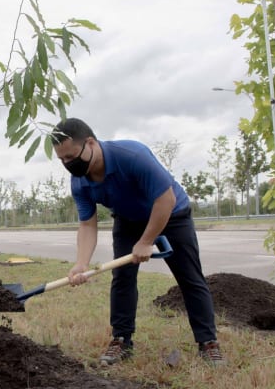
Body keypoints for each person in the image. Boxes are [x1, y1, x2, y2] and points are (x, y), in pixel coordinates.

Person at [51, 118, 225, 367]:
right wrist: (81, 263)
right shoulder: (80, 181)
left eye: (70, 156)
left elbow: (165, 199)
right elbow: (87, 224)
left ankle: (208, 343)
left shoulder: (132, 155)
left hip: (172, 214)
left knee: (190, 278)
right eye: (62, 160)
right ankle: (121, 340)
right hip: (128, 219)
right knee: (122, 278)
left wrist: (146, 241)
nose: (68, 164)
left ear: (90, 143)